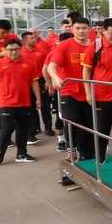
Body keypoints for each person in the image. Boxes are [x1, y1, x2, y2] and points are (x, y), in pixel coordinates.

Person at [82, 18, 112, 172]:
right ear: (103, 32)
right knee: (102, 128)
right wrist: (88, 93)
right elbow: (86, 70)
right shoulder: (95, 46)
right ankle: (100, 156)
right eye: (111, 34)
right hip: (100, 95)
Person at [0, 38, 40, 165]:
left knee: (22, 129)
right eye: (10, 50)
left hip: (24, 103)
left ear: (21, 49)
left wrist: (38, 98)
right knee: (7, 129)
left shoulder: (29, 63)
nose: (13, 52)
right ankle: (0, 155)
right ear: (5, 50)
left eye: (16, 49)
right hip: (5, 103)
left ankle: (21, 154)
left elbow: (34, 82)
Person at [48, 18, 94, 166]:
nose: (81, 31)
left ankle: (88, 154)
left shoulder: (95, 45)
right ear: (72, 30)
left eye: (84, 28)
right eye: (78, 28)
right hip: (69, 91)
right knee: (72, 122)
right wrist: (56, 78)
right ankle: (71, 149)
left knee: (89, 126)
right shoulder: (64, 46)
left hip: (90, 92)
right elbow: (51, 67)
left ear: (89, 29)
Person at [44, 31, 73, 153]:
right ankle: (61, 139)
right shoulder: (54, 52)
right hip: (62, 90)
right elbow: (45, 69)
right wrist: (50, 85)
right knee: (60, 116)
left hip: (78, 90)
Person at [21, 31, 51, 142]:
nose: (35, 40)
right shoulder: (20, 52)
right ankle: (35, 128)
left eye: (35, 38)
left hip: (41, 80)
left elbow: (47, 67)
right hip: (27, 82)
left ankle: (48, 127)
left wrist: (48, 81)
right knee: (31, 107)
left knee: (44, 105)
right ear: (25, 40)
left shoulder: (41, 51)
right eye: (32, 38)